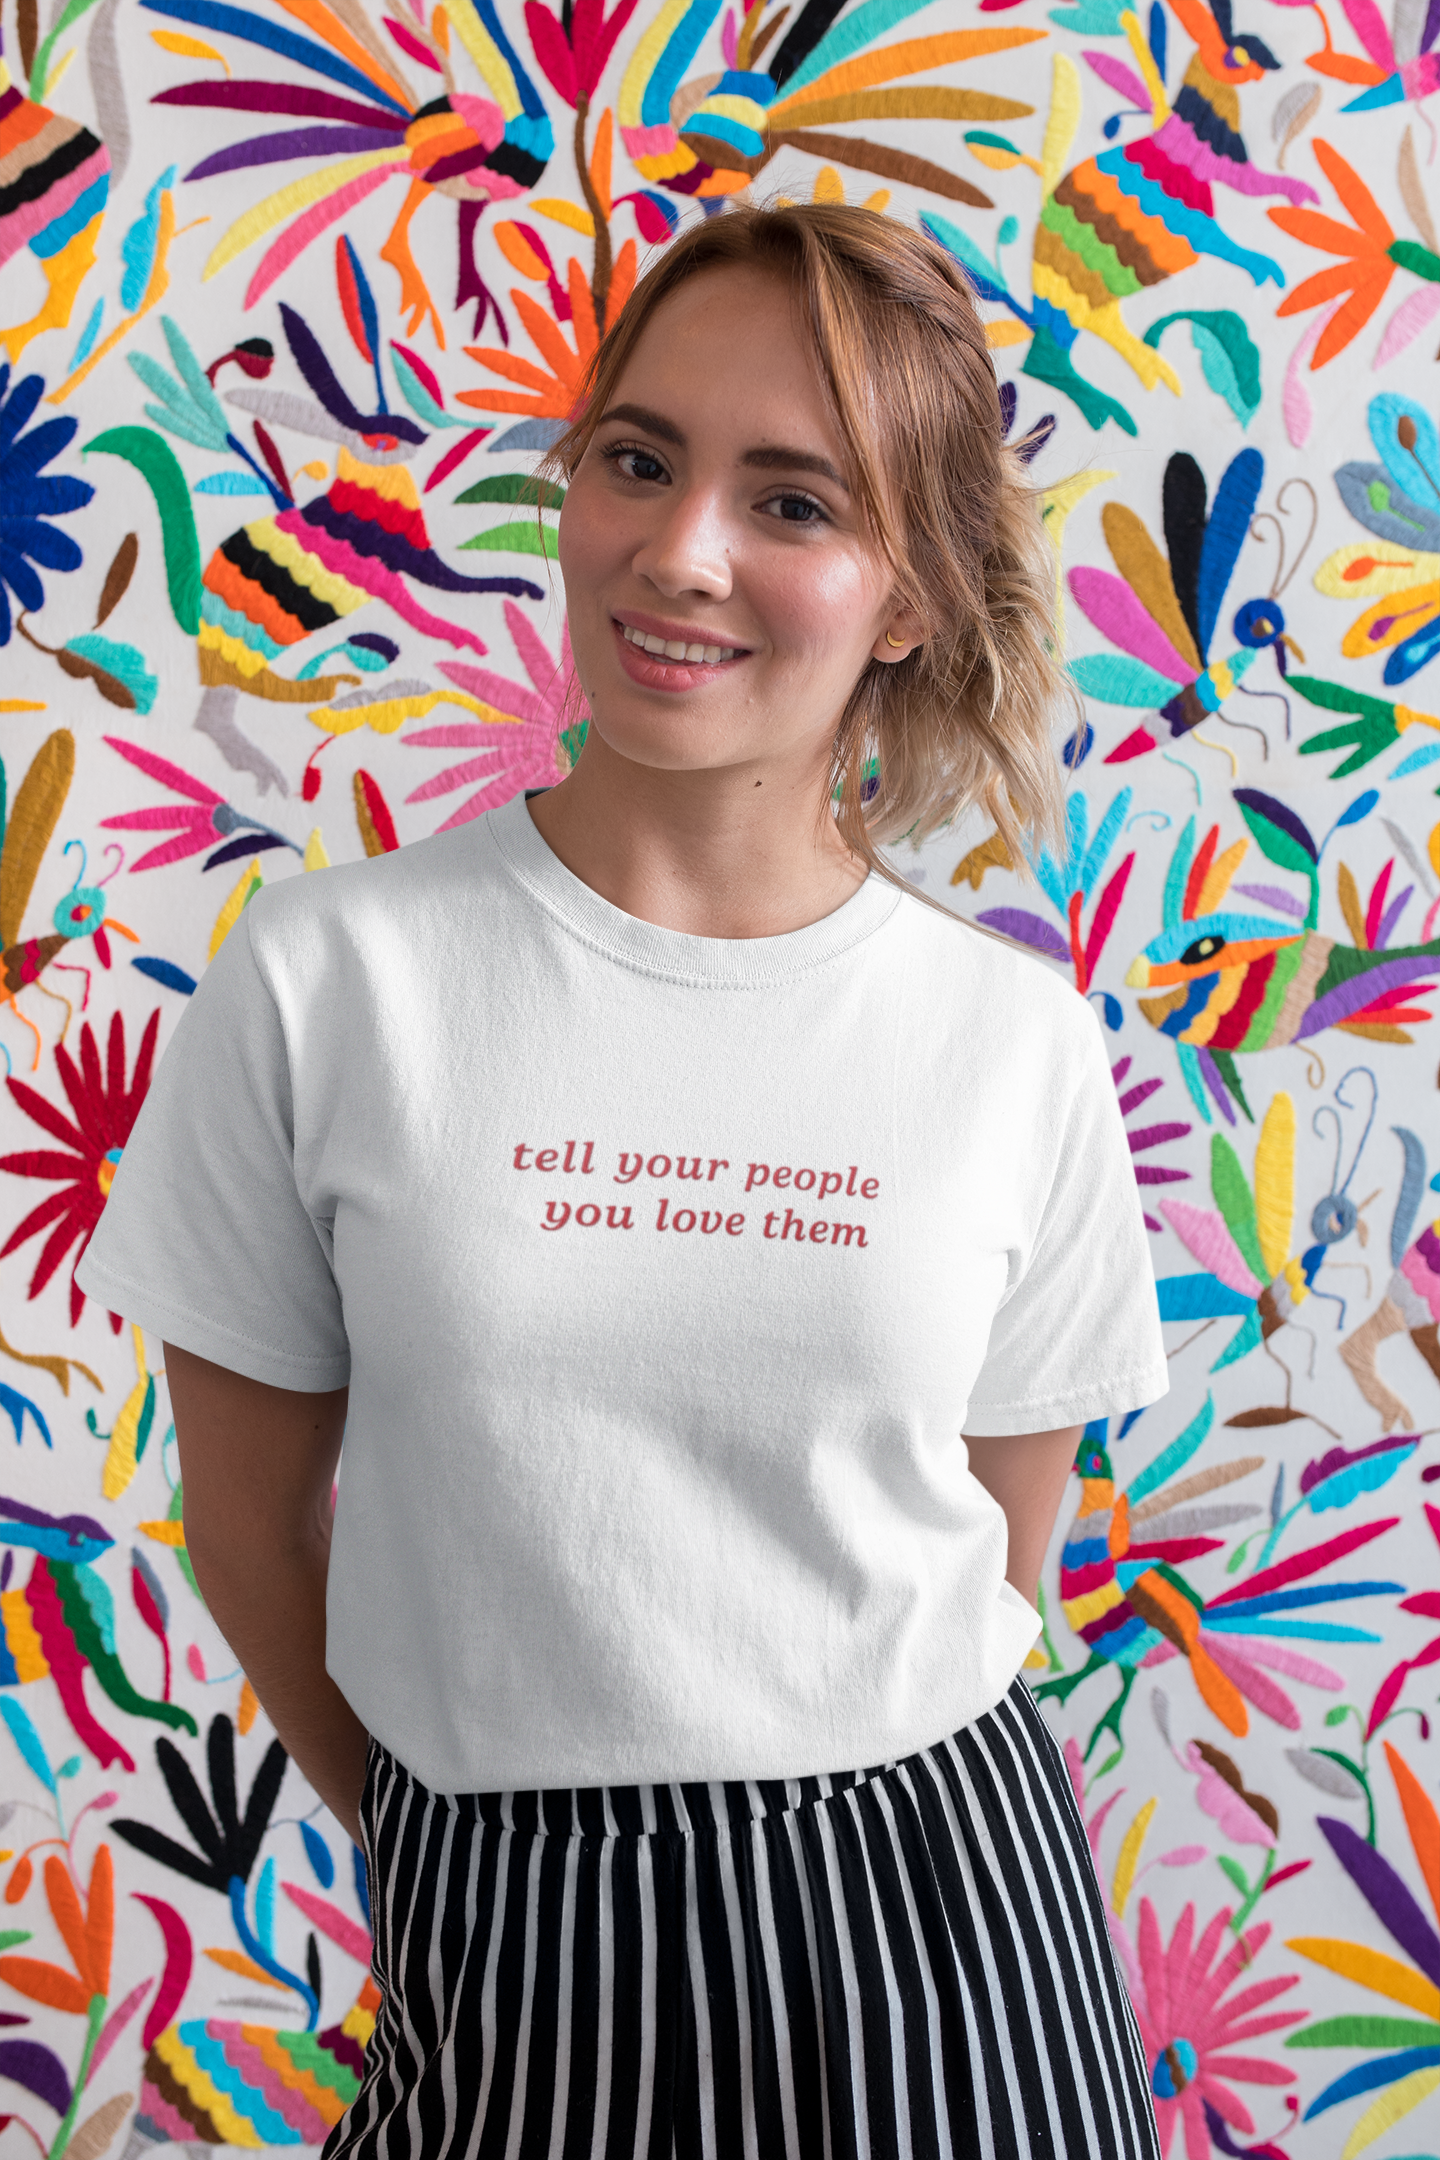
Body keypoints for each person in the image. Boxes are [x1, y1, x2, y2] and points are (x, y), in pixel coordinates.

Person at [79, 203, 1168, 2158]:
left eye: (795, 501)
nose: (680, 554)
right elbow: (248, 1530)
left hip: (950, 1918)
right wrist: (468, 1834)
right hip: (505, 1927)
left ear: (909, 596)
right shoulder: (329, 981)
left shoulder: (1009, 1044)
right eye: (639, 461)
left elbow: (1004, 1549)